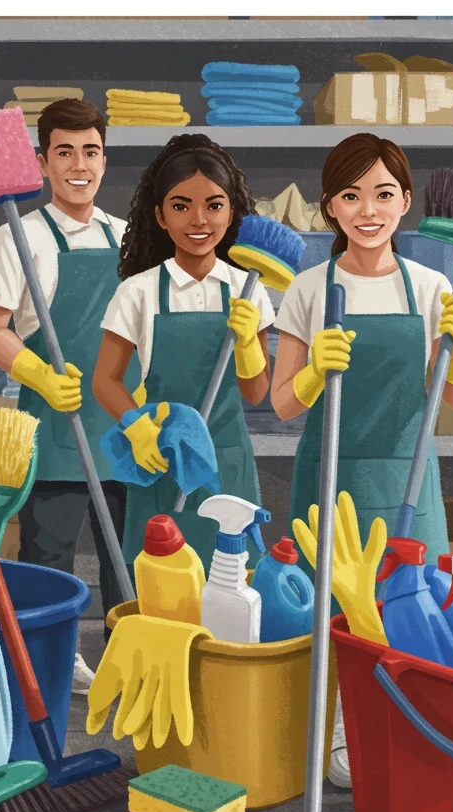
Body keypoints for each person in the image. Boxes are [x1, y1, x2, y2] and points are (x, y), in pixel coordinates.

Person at [271, 133, 453, 787]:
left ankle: (415, 726)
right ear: (330, 206)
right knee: (335, 612)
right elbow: (281, 403)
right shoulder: (308, 288)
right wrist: (312, 376)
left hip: (408, 471)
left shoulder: (432, 287)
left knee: (413, 606)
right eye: (351, 195)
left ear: (406, 202)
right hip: (331, 474)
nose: (369, 209)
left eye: (384, 194)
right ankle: (339, 731)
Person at [0, 99, 140, 693]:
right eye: (64, 152)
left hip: (122, 429)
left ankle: (127, 661)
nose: (78, 164)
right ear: (43, 162)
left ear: (104, 160)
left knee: (130, 561)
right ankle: (52, 662)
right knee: (49, 556)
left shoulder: (130, 237)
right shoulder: (18, 238)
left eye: (89, 151)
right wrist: (39, 375)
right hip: (56, 427)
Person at [92, 134, 274, 572]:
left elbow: (255, 393)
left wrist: (248, 344)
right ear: (159, 215)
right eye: (180, 206)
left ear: (232, 212)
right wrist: (136, 427)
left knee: (231, 586)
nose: (199, 220)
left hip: (226, 465)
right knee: (161, 588)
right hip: (162, 461)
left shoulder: (248, 289)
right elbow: (104, 380)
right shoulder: (138, 292)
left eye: (214, 205)